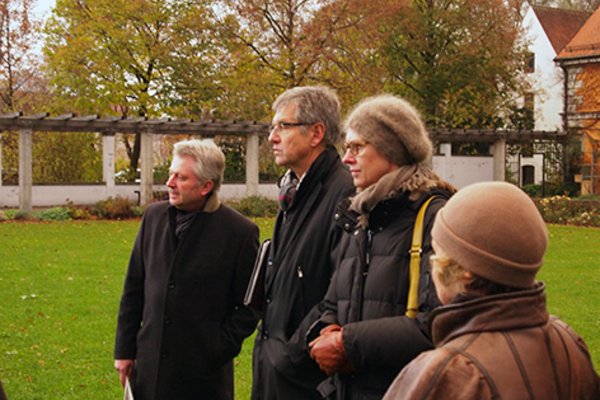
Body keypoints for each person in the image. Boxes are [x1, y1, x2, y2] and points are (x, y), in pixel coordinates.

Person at [383, 181, 600, 400]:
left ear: (462, 270)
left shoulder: (447, 373)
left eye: (437, 251)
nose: (431, 263)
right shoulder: (568, 341)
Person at [308, 94, 456, 399]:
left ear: (391, 150)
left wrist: (347, 343)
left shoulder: (435, 217)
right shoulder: (361, 214)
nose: (346, 158)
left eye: (357, 147)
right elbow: (335, 301)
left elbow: (439, 324)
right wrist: (326, 330)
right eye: (347, 147)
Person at [114, 139, 259, 400]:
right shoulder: (153, 218)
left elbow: (250, 304)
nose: (169, 183)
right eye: (170, 174)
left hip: (202, 378)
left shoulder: (239, 233)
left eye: (180, 177)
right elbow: (134, 287)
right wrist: (124, 350)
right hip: (149, 370)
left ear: (206, 186)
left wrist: (218, 346)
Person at [251, 86, 354, 400]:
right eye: (273, 127)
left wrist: (291, 354)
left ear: (316, 133)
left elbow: (341, 290)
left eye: (283, 125)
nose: (272, 136)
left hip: (303, 379)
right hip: (275, 370)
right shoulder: (293, 191)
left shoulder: (344, 194)